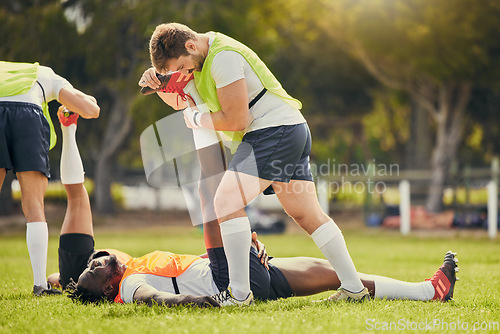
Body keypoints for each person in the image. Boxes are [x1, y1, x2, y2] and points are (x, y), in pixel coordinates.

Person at [53, 110, 459, 306]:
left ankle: (429, 291)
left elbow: (63, 281)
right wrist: (197, 303)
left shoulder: (128, 268)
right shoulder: (128, 285)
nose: (97, 258)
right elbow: (151, 298)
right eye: (95, 268)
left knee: (336, 275)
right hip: (225, 281)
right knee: (208, 193)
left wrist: (54, 282)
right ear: (109, 286)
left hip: (240, 271)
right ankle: (194, 107)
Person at [140, 22, 369, 305]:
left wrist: (197, 119)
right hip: (288, 127)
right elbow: (179, 101)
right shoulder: (198, 60)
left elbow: (238, 120)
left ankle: (238, 295)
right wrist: (158, 80)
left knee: (224, 201)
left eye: (183, 67)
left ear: (190, 46)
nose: (184, 73)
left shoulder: (223, 57)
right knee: (307, 214)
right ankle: (354, 288)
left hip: (274, 130)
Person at [0, 60, 100, 296]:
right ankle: (39, 285)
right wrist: (82, 102)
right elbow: (91, 110)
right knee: (34, 206)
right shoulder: (46, 74)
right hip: (27, 114)